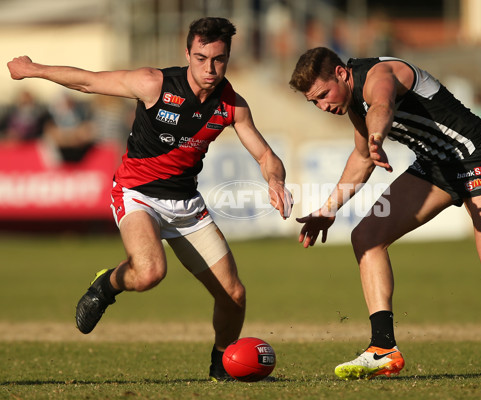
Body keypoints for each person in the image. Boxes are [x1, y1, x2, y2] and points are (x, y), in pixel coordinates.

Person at [7, 17, 293, 381]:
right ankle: (106, 284)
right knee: (149, 273)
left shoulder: (232, 105)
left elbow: (266, 156)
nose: (209, 68)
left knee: (234, 294)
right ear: (187, 52)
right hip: (136, 195)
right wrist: (33, 70)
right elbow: (89, 81)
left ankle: (221, 364)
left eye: (218, 59)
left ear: (228, 57)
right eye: (201, 57)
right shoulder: (154, 83)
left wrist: (276, 181)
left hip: (186, 206)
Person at [288, 47, 481, 380]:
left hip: (478, 159)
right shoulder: (351, 102)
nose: (322, 105)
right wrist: (328, 209)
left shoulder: (379, 76)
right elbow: (361, 159)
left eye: (323, 95)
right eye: (313, 102)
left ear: (342, 74)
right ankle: (382, 348)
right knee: (366, 237)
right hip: (435, 167)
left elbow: (382, 105)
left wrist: (376, 135)